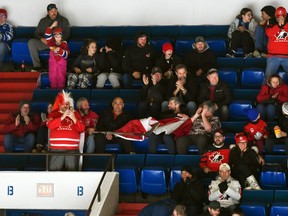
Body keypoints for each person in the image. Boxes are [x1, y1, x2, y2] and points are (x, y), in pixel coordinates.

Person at [139, 165, 204, 216]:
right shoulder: (179, 184)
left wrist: (190, 185)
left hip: (193, 205)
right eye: (182, 173)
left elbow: (198, 198)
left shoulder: (197, 184)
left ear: (191, 174)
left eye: (186, 173)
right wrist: (182, 186)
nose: (184, 175)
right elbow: (174, 198)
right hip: (180, 205)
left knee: (192, 209)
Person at [47, 90, 85, 171]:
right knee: (54, 174)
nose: (65, 105)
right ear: (59, 104)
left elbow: (82, 129)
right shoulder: (53, 114)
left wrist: (74, 118)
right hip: (56, 150)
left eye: (67, 103)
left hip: (72, 150)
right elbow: (50, 125)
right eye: (63, 103)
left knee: (72, 175)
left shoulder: (75, 114)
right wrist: (62, 117)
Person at [28, 3, 70, 72]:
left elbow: (67, 34)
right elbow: (36, 33)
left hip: (58, 43)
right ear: (48, 12)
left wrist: (58, 41)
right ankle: (37, 66)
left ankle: (61, 67)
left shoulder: (64, 20)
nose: (54, 13)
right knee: (31, 42)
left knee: (63, 45)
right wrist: (42, 39)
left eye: (55, 10)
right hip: (46, 43)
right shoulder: (43, 21)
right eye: (51, 11)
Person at [265, 6, 288, 78]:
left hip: (287, 56)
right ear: (275, 15)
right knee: (268, 78)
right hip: (273, 56)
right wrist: (278, 26)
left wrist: (284, 25)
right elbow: (268, 33)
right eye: (278, 16)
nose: (280, 18)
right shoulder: (271, 22)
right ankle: (265, 90)